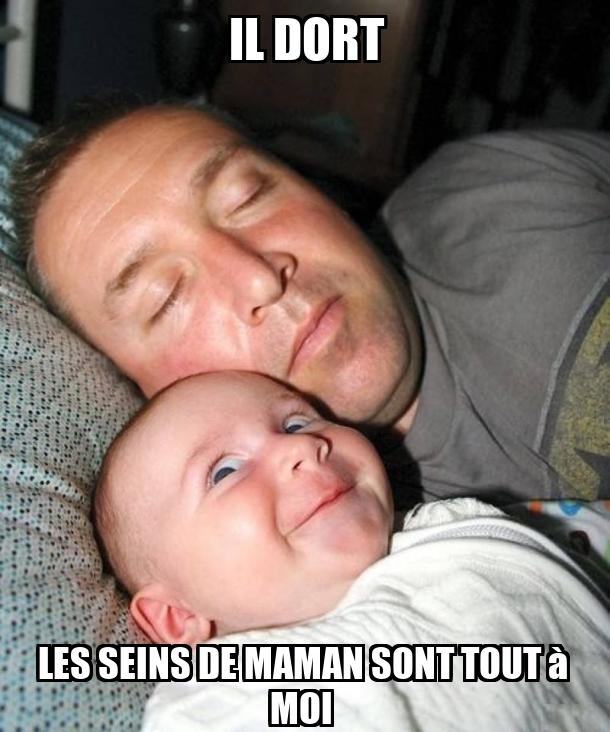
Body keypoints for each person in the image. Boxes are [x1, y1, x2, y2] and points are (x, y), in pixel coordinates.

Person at [10, 99, 610, 503]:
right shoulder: (325, 603)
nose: (260, 278)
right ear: (141, 397)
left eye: (248, 196)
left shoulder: (505, 188)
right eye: (165, 298)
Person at [95, 371, 610, 730]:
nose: (301, 446)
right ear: (177, 618)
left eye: (297, 423)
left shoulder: (455, 523)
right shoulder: (230, 698)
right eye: (224, 471)